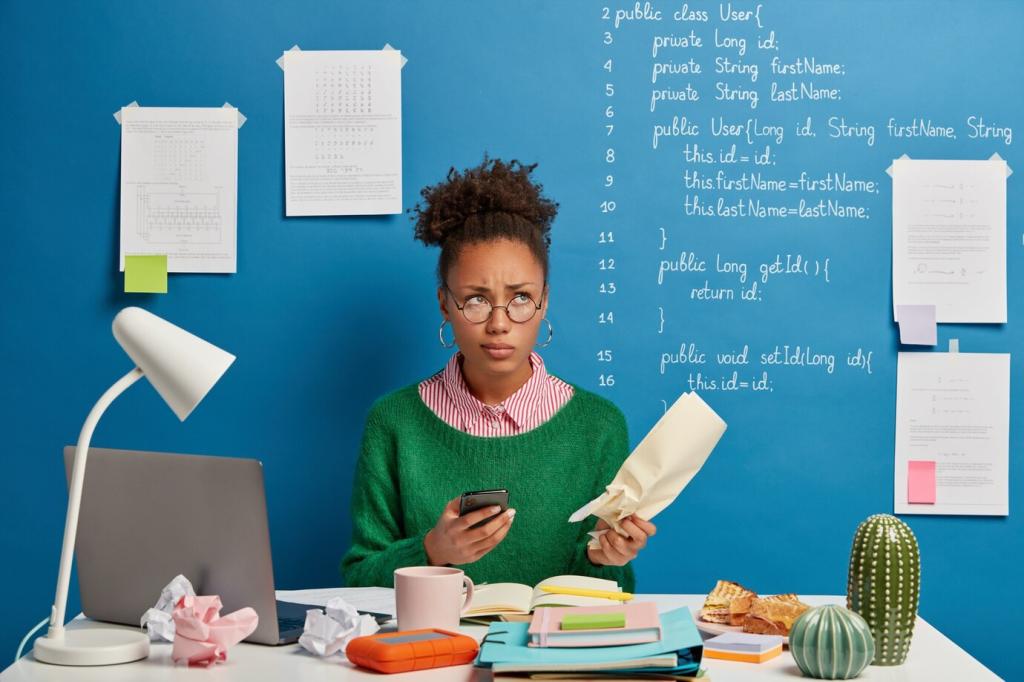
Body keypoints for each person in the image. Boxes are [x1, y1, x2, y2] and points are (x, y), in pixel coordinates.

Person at [341, 157, 655, 592]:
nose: (499, 323)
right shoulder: (394, 421)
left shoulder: (599, 425)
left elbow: (615, 594)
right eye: (476, 300)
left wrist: (605, 557)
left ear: (544, 301)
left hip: (551, 638)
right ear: (445, 304)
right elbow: (358, 579)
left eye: (521, 297)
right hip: (434, 636)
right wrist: (431, 550)